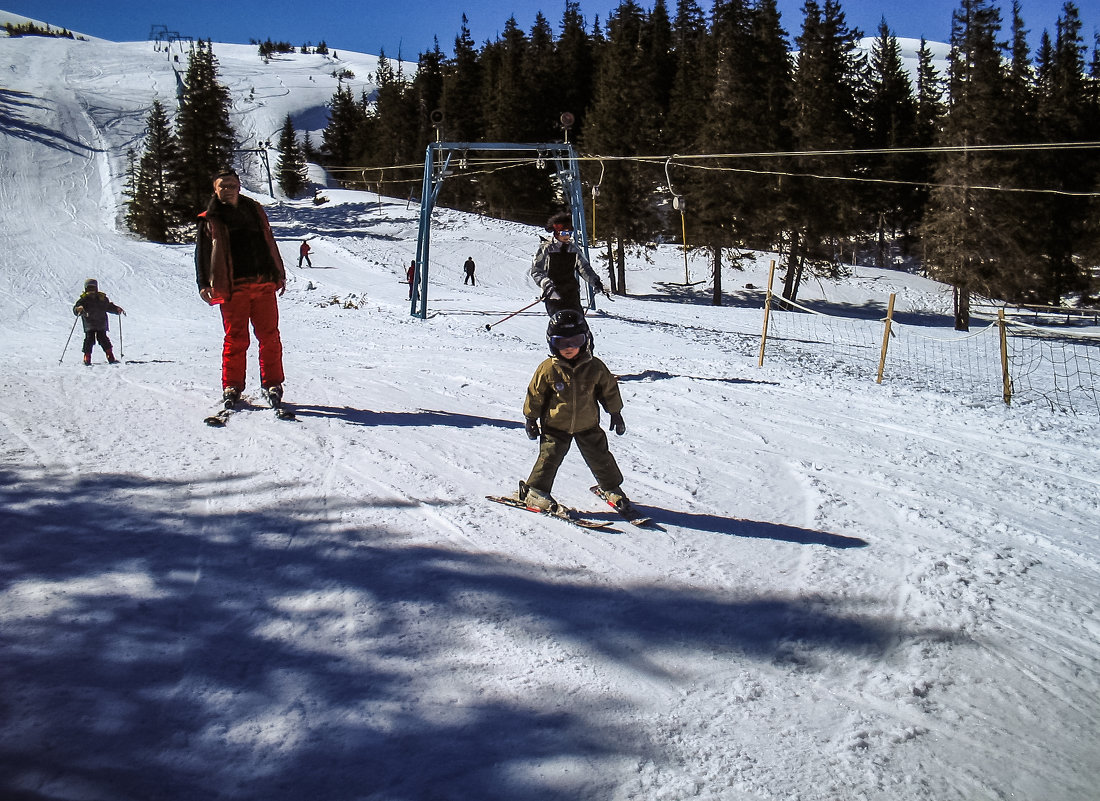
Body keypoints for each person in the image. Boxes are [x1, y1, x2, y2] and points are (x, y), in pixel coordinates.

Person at [517, 309, 630, 512]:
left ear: (585, 340)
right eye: (562, 342)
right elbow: (535, 395)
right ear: (552, 342)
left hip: (588, 424)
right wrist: (530, 419)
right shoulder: (548, 369)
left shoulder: (595, 367)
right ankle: (536, 490)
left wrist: (615, 413)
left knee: (601, 456)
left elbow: (609, 390)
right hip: (555, 426)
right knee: (548, 458)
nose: (569, 348)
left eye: (575, 341)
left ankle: (611, 487)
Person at [195, 169, 287, 406]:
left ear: (239, 186)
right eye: (222, 186)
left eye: (231, 185)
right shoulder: (210, 217)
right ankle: (232, 386)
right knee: (236, 338)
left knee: (270, 336)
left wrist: (280, 273)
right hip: (232, 287)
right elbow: (202, 254)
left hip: (263, 282)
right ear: (215, 189)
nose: (227, 189)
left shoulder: (255, 210)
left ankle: (273, 384)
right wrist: (204, 283)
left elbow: (269, 241)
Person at [530, 211, 609, 317]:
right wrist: (546, 284)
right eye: (563, 233)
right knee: (561, 322)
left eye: (569, 233)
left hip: (571, 293)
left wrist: (595, 281)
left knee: (578, 323)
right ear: (556, 233)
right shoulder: (546, 248)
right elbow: (537, 271)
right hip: (553, 293)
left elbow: (584, 268)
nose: (567, 236)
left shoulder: (573, 249)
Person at [73, 278, 124, 365]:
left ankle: (110, 356)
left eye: (92, 288)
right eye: (89, 288)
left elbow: (108, 306)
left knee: (103, 339)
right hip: (90, 323)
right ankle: (87, 358)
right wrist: (78, 309)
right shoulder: (83, 300)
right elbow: (76, 308)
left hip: (100, 323)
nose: (91, 291)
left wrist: (116, 309)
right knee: (89, 340)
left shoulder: (102, 299)